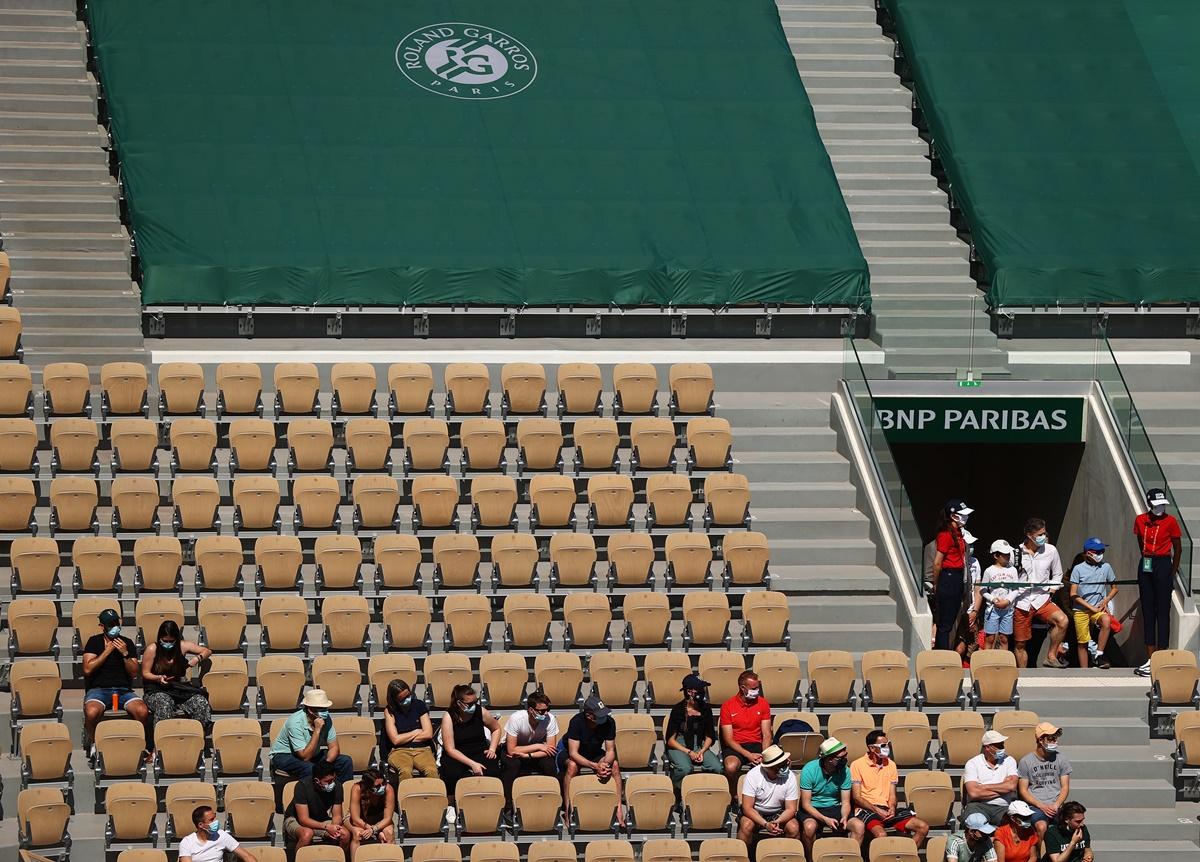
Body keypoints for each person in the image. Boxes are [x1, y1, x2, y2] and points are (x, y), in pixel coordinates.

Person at [82, 607, 150, 749]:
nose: (114, 627)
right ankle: (94, 743)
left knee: (142, 711)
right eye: (110, 625)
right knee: (91, 712)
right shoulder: (94, 642)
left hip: (123, 690)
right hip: (99, 690)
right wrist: (107, 652)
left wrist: (124, 653)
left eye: (116, 623)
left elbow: (133, 673)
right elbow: (88, 669)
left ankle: (139, 744)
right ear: (102, 626)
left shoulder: (127, 643)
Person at [850, 730, 929, 848]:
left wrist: (892, 807)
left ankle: (906, 855)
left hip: (886, 809)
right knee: (881, 835)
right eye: (883, 745)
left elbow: (892, 794)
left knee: (923, 827)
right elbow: (857, 797)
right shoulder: (857, 765)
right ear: (872, 748)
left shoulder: (891, 765)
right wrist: (877, 810)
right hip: (867, 809)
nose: (886, 748)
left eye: (887, 744)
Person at [1133, 488, 1182, 676]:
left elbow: (1178, 548)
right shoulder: (1140, 520)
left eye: (1162, 505)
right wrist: (1147, 556)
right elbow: (1140, 540)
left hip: (1163, 563)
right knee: (1148, 611)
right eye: (1156, 505)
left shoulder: (1171, 521)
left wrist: (1172, 571)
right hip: (1146, 562)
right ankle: (1150, 658)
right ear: (1149, 504)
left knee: (1163, 611)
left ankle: (1163, 655)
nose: (1160, 508)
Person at [558, 694, 624, 827]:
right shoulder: (576, 722)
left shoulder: (610, 722)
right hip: (570, 752)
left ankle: (618, 810)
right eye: (600, 715)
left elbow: (610, 750)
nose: (604, 717)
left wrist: (604, 764)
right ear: (589, 715)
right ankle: (568, 811)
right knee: (572, 766)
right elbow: (573, 753)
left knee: (615, 765)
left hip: (593, 751)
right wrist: (595, 766)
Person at [1012, 518, 1069, 669]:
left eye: (1044, 533)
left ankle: (1051, 656)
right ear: (1029, 535)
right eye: (1040, 534)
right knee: (1020, 643)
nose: (1043, 536)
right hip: (1021, 602)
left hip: (1042, 599)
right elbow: (1009, 577)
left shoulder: (1051, 550)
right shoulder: (1016, 553)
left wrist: (1052, 589)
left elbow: (1057, 574)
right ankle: (1023, 676)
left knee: (1063, 621)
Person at [270, 689, 354, 784]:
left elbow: (334, 747)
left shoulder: (326, 718)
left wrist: (325, 764)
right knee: (310, 768)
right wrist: (317, 730)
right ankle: (310, 796)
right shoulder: (295, 722)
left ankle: (341, 793)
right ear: (310, 709)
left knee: (345, 761)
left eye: (325, 708)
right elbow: (305, 757)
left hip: (312, 753)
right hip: (285, 755)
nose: (325, 712)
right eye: (321, 708)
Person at [799, 738, 865, 858]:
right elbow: (806, 804)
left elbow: (845, 802)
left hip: (835, 806)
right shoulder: (809, 769)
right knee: (809, 827)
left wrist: (844, 816)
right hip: (814, 807)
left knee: (858, 826)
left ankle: (849, 858)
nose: (845, 759)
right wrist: (825, 819)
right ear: (829, 759)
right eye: (841, 758)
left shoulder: (845, 771)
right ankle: (811, 858)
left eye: (846, 755)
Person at [141, 619, 212, 727]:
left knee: (200, 702)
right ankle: (163, 737)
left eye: (171, 641)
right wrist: (158, 678)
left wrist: (197, 659)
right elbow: (145, 673)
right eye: (165, 641)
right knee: (164, 702)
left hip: (177, 689)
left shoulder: (182, 646)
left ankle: (197, 734)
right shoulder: (152, 649)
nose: (168, 644)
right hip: (156, 690)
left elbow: (207, 651)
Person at [439, 684, 501, 801]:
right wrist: (472, 764)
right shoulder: (449, 717)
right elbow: (450, 749)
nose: (473, 706)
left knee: (492, 771)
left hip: (479, 749)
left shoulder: (481, 711)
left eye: (475, 702)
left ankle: (490, 801)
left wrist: (492, 748)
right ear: (459, 703)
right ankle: (452, 803)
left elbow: (496, 729)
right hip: (457, 753)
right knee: (453, 773)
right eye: (469, 704)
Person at [719, 670, 773, 798]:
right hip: (736, 746)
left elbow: (766, 734)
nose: (757, 691)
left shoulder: (763, 703)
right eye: (754, 688)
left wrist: (764, 755)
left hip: (756, 743)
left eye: (758, 687)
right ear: (743, 688)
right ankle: (733, 795)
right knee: (731, 767)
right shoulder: (728, 706)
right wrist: (749, 755)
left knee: (774, 763)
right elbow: (728, 739)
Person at [283, 760, 352, 858]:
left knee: (344, 834)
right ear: (317, 780)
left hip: (320, 819)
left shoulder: (337, 786)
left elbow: (337, 815)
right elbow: (303, 819)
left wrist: (334, 828)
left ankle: (339, 859)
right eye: (328, 781)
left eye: (333, 779)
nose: (331, 783)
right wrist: (327, 827)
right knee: (307, 834)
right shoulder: (302, 786)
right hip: (295, 819)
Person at [736, 744, 800, 847]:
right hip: (756, 810)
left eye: (785, 764)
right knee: (746, 825)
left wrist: (777, 822)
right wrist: (765, 824)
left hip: (779, 812)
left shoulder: (790, 777)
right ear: (769, 768)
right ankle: (742, 855)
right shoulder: (753, 775)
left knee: (794, 827)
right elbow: (747, 808)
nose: (784, 768)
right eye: (780, 766)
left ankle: (788, 855)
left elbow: (791, 809)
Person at [502, 691, 559, 805]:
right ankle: (508, 803)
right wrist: (538, 746)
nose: (545, 713)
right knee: (512, 765)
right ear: (530, 710)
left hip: (534, 753)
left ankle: (553, 801)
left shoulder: (550, 719)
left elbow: (550, 749)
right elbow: (511, 750)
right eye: (541, 711)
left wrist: (528, 755)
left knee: (549, 765)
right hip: (516, 750)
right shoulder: (516, 718)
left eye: (548, 709)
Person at [665, 674, 721, 789]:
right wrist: (689, 752)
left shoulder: (706, 709)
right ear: (690, 692)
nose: (703, 692)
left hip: (699, 744)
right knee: (685, 768)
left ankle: (708, 791)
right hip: (679, 745)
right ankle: (679, 794)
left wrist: (702, 751)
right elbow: (670, 740)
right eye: (699, 690)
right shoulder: (678, 710)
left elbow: (709, 735)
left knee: (717, 767)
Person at [1069, 539, 1117, 670]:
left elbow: (1114, 588)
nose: (1102, 553)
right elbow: (1073, 594)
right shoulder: (1078, 569)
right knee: (1082, 642)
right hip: (1081, 610)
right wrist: (1090, 607)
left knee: (1106, 621)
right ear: (1089, 553)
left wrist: (1105, 600)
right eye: (1099, 551)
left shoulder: (1106, 567)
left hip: (1098, 609)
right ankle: (1084, 672)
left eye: (1103, 551)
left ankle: (1099, 655)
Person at [931, 499, 972, 650]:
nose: (966, 518)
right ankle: (942, 655)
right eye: (962, 515)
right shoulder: (945, 534)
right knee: (945, 624)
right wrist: (936, 583)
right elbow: (937, 562)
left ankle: (945, 652)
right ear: (953, 516)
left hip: (958, 577)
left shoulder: (959, 533)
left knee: (952, 618)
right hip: (948, 577)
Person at [1017, 723, 1070, 839]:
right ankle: (1040, 856)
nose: (1055, 742)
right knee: (1041, 827)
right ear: (1041, 740)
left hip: (1056, 804)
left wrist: (1056, 804)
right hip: (1035, 805)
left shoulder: (1061, 759)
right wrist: (1041, 806)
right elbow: (1023, 791)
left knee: (1072, 823)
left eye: (1055, 738)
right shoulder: (1026, 761)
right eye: (1051, 739)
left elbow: (1065, 787)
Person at [381, 679, 436, 781]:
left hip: (422, 749)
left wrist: (403, 737)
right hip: (399, 751)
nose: (407, 699)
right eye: (402, 699)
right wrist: (416, 732)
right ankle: (406, 796)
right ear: (395, 700)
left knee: (431, 770)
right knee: (405, 770)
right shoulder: (389, 711)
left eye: (408, 696)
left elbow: (428, 734)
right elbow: (395, 740)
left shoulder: (419, 705)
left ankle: (433, 795)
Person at [960, 730, 1018, 827]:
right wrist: (1004, 789)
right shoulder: (973, 763)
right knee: (976, 822)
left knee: (1015, 824)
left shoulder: (1009, 760)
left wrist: (983, 787)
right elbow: (974, 794)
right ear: (987, 747)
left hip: (1003, 807)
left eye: (1002, 745)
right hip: (978, 806)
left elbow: (1011, 786)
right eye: (998, 746)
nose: (1002, 748)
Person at [976, 540, 1017, 651]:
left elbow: (1016, 589)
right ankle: (987, 662)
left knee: (1004, 638)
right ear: (996, 555)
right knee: (990, 638)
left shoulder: (1013, 570)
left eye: (1009, 554)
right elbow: (983, 589)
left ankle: (1003, 663)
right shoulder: (989, 571)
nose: (1008, 556)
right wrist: (993, 599)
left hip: (1008, 610)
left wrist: (1007, 601)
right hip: (992, 609)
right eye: (1005, 554)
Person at [178, 805, 256, 862]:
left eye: (214, 818)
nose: (215, 822)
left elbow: (247, 856)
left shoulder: (221, 835)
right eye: (211, 820)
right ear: (201, 825)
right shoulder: (187, 842)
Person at [347, 767, 396, 859]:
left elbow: (388, 818)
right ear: (368, 787)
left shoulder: (388, 789)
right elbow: (355, 819)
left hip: (380, 820)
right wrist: (368, 828)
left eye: (383, 783)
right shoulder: (357, 789)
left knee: (388, 833)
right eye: (377, 786)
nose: (382, 787)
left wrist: (374, 829)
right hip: (361, 820)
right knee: (358, 834)